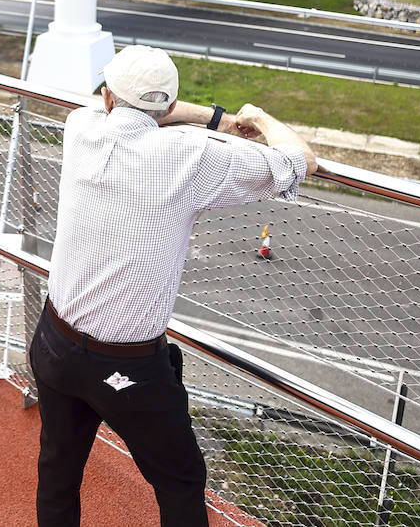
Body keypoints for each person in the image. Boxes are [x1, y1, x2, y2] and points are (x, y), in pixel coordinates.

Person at [29, 45, 315, 526]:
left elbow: (137, 110)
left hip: (54, 342)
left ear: (107, 98)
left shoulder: (81, 127)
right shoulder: (192, 155)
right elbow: (300, 160)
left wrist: (216, 118)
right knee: (180, 481)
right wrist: (256, 119)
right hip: (127, 367)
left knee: (58, 467)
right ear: (164, 107)